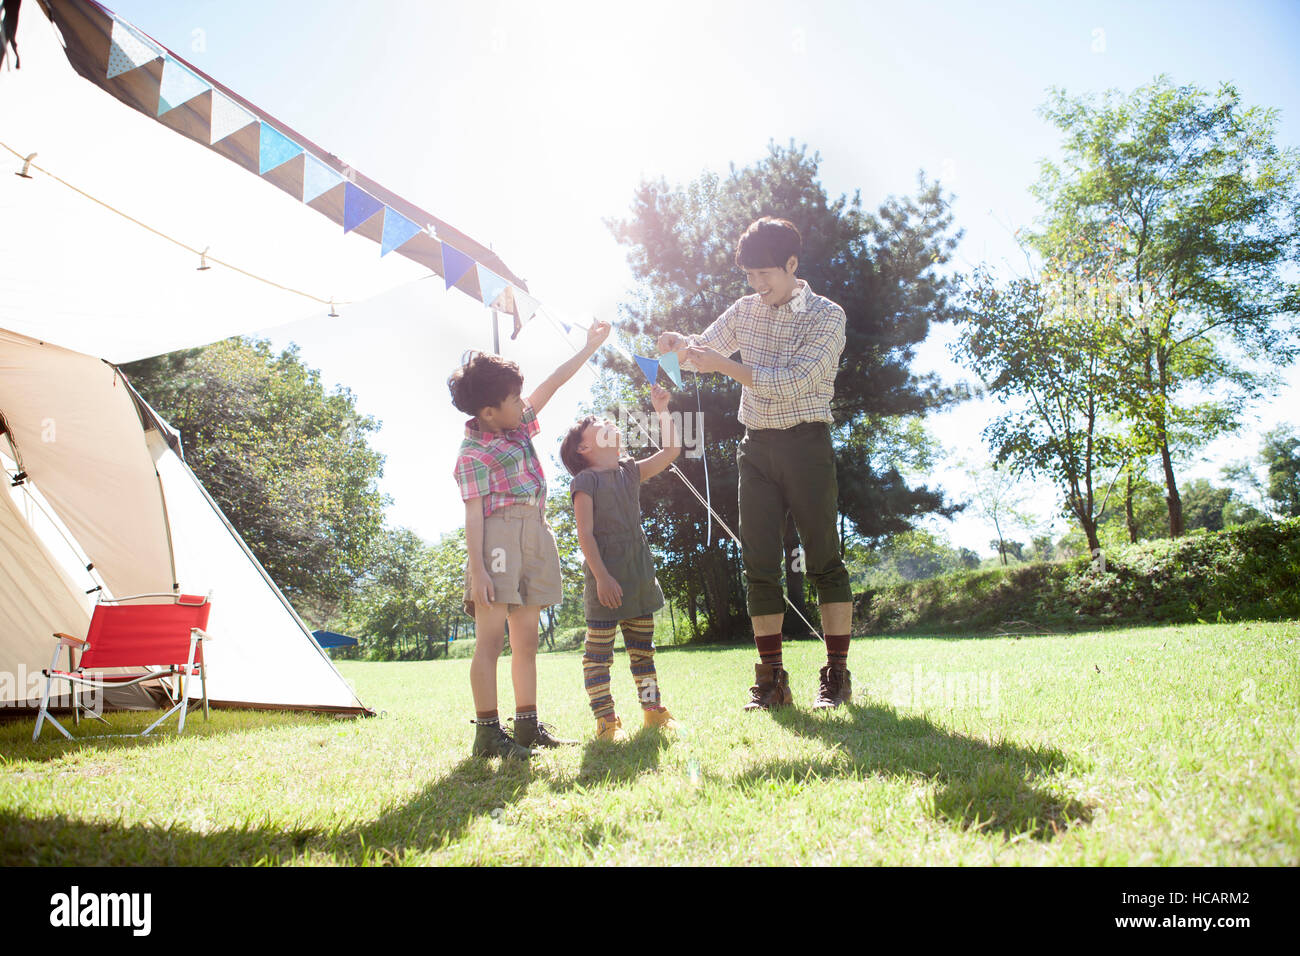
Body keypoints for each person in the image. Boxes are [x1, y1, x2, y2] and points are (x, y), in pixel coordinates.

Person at [656, 217, 854, 710]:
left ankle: (836, 674)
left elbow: (792, 382)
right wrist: (680, 348)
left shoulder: (827, 316)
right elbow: (702, 354)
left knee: (824, 560)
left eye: (764, 274)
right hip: (756, 447)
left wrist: (719, 363)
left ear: (791, 265)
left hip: (807, 443)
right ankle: (771, 681)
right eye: (749, 275)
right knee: (758, 565)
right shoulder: (745, 309)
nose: (756, 285)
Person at [449, 321, 610, 759]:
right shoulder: (473, 454)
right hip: (496, 538)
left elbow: (553, 382)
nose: (523, 403)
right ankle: (487, 733)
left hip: (535, 532)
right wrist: (479, 568)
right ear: (488, 412)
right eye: (514, 399)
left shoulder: (518, 425)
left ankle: (527, 726)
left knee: (526, 640)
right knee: (489, 641)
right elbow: (473, 514)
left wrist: (589, 346)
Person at [560, 384, 681, 741]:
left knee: (643, 653)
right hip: (606, 582)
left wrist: (661, 409)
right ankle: (607, 722)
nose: (606, 421)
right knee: (598, 657)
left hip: (639, 576)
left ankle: (652, 711)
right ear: (585, 447)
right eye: (596, 423)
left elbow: (671, 450)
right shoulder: (585, 481)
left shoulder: (629, 471)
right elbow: (585, 535)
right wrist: (601, 577)